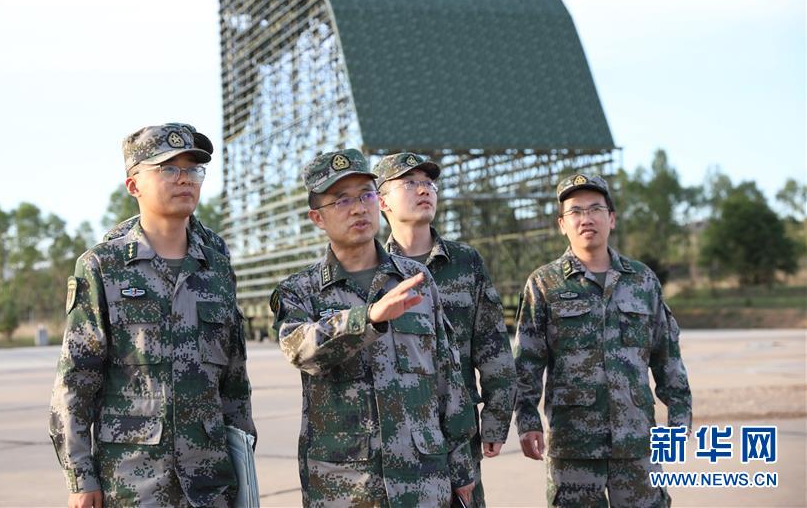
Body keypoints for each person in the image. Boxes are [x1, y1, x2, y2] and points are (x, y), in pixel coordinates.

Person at [49, 123, 255, 508]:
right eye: (167, 169)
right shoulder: (102, 266)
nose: (184, 179)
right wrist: (80, 477)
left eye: (193, 169)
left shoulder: (216, 267)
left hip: (210, 483)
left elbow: (234, 382)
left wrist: (245, 464)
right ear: (133, 186)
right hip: (132, 483)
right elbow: (76, 380)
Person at [269, 148, 477, 507]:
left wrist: (460, 465)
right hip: (343, 485)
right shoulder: (299, 290)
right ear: (317, 217)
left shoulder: (416, 278)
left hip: (421, 477)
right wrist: (367, 318)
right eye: (341, 200)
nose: (358, 208)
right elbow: (299, 349)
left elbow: (447, 373)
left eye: (366, 195)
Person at [513, 173, 692, 507]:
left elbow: (667, 356)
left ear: (611, 218)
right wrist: (527, 420)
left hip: (637, 443)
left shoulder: (642, 281)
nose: (586, 218)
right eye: (575, 211)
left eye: (595, 209)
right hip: (574, 448)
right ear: (562, 224)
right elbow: (526, 363)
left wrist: (680, 420)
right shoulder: (544, 284)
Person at [374, 152, 517, 507]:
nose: (424, 190)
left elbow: (493, 347)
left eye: (429, 183)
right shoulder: (373, 270)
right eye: (410, 183)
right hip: (391, 435)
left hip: (457, 433)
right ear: (381, 201)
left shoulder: (465, 263)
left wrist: (496, 418)